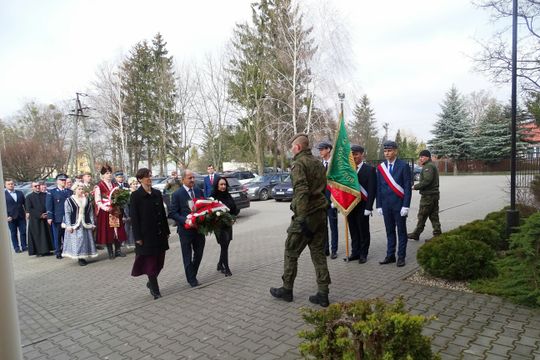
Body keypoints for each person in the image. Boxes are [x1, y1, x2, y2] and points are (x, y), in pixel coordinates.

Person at [270, 134, 331, 307]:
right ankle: (323, 293)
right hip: (320, 213)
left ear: (297, 148)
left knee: (291, 250)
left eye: (292, 147)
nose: (291, 150)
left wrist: (301, 218)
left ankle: (287, 289)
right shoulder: (318, 163)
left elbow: (302, 191)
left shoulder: (299, 164)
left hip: (307, 214)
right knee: (318, 253)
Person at [130, 168, 170, 300]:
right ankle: (155, 290)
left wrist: (167, 231)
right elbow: (134, 219)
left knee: (160, 263)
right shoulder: (135, 196)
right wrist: (138, 237)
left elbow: (163, 215)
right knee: (151, 263)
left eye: (150, 176)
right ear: (140, 179)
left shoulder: (157, 193)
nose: (149, 178)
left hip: (160, 234)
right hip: (146, 236)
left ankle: (150, 283)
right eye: (146, 177)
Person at [376, 140, 412, 267]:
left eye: (389, 150)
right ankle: (390, 255)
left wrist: (406, 205)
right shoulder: (381, 168)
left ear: (395, 151)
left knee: (401, 232)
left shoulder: (403, 166)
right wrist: (379, 205)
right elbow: (379, 187)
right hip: (386, 206)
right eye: (385, 151)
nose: (387, 153)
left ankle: (401, 256)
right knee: (389, 231)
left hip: (399, 205)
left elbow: (407, 187)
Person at [169, 169, 205, 287]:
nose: (192, 180)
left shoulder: (198, 191)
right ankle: (191, 279)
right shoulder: (177, 194)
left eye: (193, 177)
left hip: (199, 229)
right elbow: (173, 213)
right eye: (190, 178)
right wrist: (186, 220)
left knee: (199, 253)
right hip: (185, 230)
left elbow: (204, 206)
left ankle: (192, 273)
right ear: (183, 179)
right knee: (187, 255)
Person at [346, 145, 376, 264]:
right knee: (353, 230)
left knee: (363, 230)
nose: (354, 157)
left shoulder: (369, 169)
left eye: (356, 154)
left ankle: (363, 254)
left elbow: (372, 190)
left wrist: (369, 207)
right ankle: (355, 252)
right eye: (352, 154)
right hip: (350, 205)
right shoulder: (348, 170)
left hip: (363, 206)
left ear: (362, 154)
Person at [94, 165, 127, 259]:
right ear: (102, 175)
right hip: (106, 212)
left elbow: (118, 196)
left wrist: (118, 203)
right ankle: (110, 252)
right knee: (108, 232)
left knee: (117, 230)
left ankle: (118, 250)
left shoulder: (114, 185)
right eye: (107, 173)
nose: (109, 175)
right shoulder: (99, 186)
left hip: (115, 210)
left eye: (110, 173)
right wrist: (106, 208)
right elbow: (98, 201)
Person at [408, 149, 441, 241]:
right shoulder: (430, 165)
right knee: (434, 216)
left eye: (422, 157)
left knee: (422, 215)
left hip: (428, 196)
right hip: (433, 195)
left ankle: (416, 234)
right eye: (420, 157)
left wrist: (415, 187)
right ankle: (437, 234)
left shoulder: (428, 167)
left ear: (428, 157)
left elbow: (427, 180)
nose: (420, 159)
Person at [61, 182, 97, 266]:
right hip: (75, 224)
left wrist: (92, 223)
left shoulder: (87, 200)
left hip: (85, 224)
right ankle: (79, 257)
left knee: (85, 241)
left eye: (82, 189)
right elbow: (67, 213)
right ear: (75, 190)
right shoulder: (69, 200)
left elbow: (90, 212)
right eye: (79, 189)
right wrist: (69, 225)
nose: (81, 191)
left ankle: (83, 256)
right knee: (77, 241)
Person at [211, 177, 239, 277]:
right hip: (219, 226)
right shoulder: (213, 197)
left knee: (225, 245)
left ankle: (219, 264)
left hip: (228, 225)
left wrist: (233, 217)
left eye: (224, 184)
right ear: (217, 186)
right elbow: (210, 214)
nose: (223, 186)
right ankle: (226, 268)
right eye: (221, 185)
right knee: (224, 246)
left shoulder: (228, 195)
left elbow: (235, 208)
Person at [317, 141, 338, 259]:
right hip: (321, 201)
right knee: (323, 226)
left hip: (332, 200)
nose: (320, 151)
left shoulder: (334, 165)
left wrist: (336, 200)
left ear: (328, 150)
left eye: (322, 149)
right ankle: (325, 249)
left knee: (333, 226)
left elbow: (338, 183)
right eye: (319, 149)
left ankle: (334, 249)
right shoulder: (319, 165)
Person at [46, 173, 73, 259]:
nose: (63, 182)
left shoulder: (69, 192)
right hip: (57, 217)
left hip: (68, 217)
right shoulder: (52, 192)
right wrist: (49, 217)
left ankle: (67, 250)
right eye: (61, 180)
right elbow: (49, 206)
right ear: (57, 181)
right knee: (57, 235)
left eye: (64, 180)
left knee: (67, 235)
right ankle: (58, 251)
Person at [25, 181, 53, 256]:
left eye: (38, 185)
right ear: (32, 187)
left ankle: (47, 250)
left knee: (46, 235)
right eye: (35, 186)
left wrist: (47, 213)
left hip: (45, 218)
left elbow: (49, 205)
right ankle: (39, 252)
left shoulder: (45, 195)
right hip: (35, 220)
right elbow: (29, 209)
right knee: (38, 236)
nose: (37, 187)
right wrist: (40, 215)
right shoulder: (29, 197)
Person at [5, 178, 27, 253]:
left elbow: (25, 203)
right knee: (13, 233)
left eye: (12, 184)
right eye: (9, 184)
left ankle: (24, 246)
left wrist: (27, 212)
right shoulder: (3, 195)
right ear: (5, 185)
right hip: (11, 218)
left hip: (21, 216)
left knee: (23, 232)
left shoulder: (20, 193)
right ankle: (16, 247)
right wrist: (6, 216)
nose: (11, 185)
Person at [123, 177, 139, 249]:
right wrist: (127, 215)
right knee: (132, 230)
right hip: (131, 214)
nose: (135, 185)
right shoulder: (128, 194)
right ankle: (134, 244)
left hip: (139, 213)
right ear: (130, 185)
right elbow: (125, 206)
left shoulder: (139, 192)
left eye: (136, 184)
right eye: (133, 184)